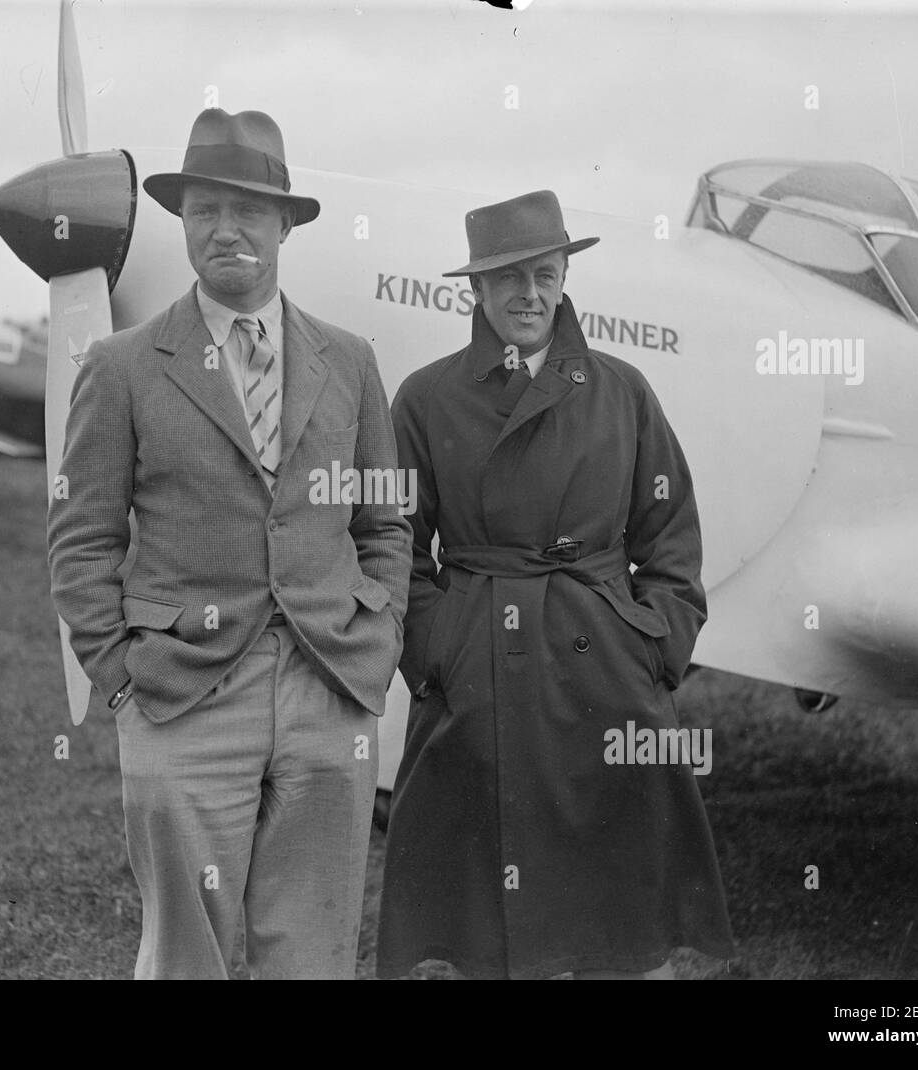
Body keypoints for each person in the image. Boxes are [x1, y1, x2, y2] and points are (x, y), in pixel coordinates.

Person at [48, 108, 411, 979]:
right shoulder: (124, 365)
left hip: (331, 686)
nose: (227, 230)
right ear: (183, 223)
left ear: (285, 222)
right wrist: (122, 676)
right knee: (186, 953)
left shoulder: (350, 360)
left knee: (314, 951)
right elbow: (81, 536)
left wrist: (380, 630)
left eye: (249, 210)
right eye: (206, 209)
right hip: (183, 694)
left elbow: (384, 520)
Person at [376, 190, 732, 979]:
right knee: (487, 928)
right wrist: (439, 649)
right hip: (477, 676)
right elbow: (395, 544)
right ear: (474, 290)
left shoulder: (623, 392)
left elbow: (670, 539)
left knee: (617, 926)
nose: (527, 295)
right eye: (506, 279)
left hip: (604, 672)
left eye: (543, 273)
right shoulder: (427, 398)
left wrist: (652, 646)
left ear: (566, 275)